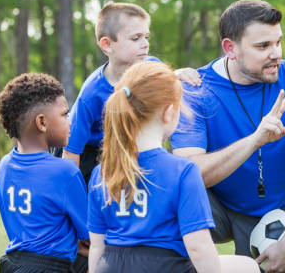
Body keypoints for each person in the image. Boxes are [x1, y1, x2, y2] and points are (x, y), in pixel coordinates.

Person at [172, 0, 285, 272]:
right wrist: (255, 140)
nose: (276, 53)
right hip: (216, 206)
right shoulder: (195, 90)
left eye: (278, 42)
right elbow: (191, 172)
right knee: (169, 200)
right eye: (263, 46)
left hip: (276, 212)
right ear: (230, 48)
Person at [87, 61, 259, 273]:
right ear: (169, 112)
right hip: (163, 266)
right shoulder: (183, 171)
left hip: (111, 266)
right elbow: (198, 247)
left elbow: (97, 246)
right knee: (248, 266)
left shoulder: (101, 171)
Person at [0, 73, 89, 273]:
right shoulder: (65, 171)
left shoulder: (5, 165)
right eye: (64, 114)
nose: (70, 121)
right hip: (52, 267)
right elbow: (89, 234)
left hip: (14, 264)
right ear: (42, 123)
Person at [62, 2, 158, 184]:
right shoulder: (91, 93)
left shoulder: (152, 68)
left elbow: (169, 84)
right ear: (107, 45)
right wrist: (72, 196)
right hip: (93, 158)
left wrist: (179, 74)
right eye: (136, 38)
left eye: (146, 36)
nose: (145, 44)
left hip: (135, 150)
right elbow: (70, 151)